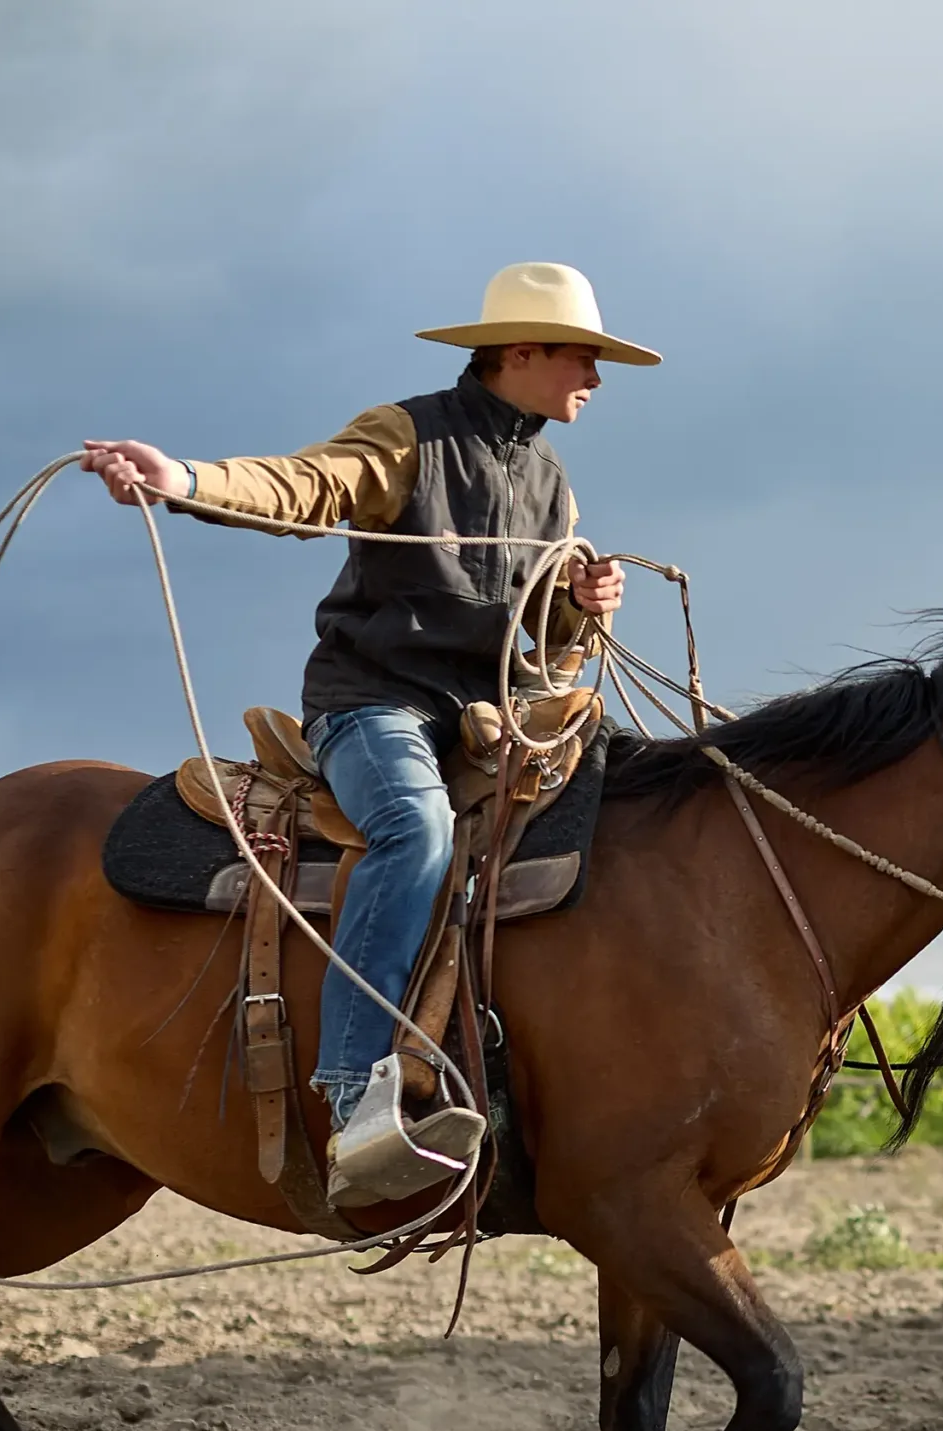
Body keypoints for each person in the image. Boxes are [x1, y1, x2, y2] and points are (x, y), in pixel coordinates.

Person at [81, 262, 655, 1204]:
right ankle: (353, 1093)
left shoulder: (552, 485)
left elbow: (535, 633)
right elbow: (305, 486)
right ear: (521, 352)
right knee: (414, 829)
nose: (596, 378)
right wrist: (180, 478)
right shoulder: (408, 436)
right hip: (374, 704)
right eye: (584, 357)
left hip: (485, 722)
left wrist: (578, 606)